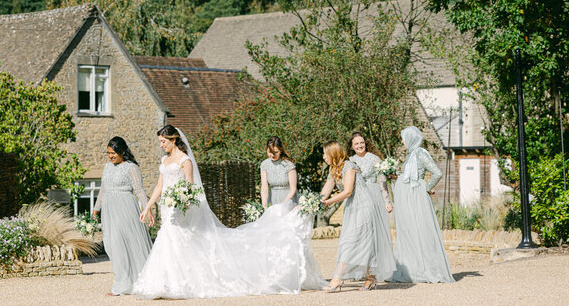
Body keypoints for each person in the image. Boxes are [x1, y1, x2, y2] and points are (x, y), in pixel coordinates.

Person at [132, 125, 324, 299]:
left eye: (163, 141)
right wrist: (148, 206)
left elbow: (189, 186)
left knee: (180, 240)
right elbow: (159, 185)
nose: (161, 145)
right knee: (167, 239)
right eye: (160, 142)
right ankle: (163, 282)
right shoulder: (164, 160)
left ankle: (181, 283)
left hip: (179, 206)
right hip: (167, 206)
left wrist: (181, 201)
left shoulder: (185, 160)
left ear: (174, 140)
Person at [320, 140, 396, 292]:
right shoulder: (333, 169)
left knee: (350, 242)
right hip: (352, 208)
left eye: (325, 154)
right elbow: (325, 190)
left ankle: (337, 279)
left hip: (364, 206)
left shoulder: (349, 166)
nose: (323, 157)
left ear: (333, 154)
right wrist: (314, 202)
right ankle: (371, 277)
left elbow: (347, 191)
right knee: (362, 243)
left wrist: (328, 202)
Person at [391, 126, 455, 283]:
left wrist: (426, 187)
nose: (402, 141)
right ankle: (413, 269)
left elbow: (437, 172)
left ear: (411, 139)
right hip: (407, 199)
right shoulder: (411, 155)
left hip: (415, 198)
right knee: (408, 231)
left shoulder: (420, 153)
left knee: (419, 229)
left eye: (404, 138)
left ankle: (428, 269)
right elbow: (409, 175)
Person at [91, 136, 152, 295]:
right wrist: (96, 208)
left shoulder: (131, 168)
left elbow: (139, 190)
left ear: (123, 152)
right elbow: (103, 189)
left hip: (125, 209)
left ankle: (122, 286)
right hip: (109, 210)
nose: (111, 156)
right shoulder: (107, 167)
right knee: (111, 246)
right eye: (108, 153)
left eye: (114, 153)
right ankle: (124, 281)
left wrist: (148, 209)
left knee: (121, 245)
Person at [260, 136, 298, 207]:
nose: (272, 155)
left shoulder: (289, 165)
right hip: (272, 200)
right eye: (269, 152)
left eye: (275, 152)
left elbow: (293, 189)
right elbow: (264, 186)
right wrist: (264, 204)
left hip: (288, 201)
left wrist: (282, 205)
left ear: (280, 150)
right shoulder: (264, 165)